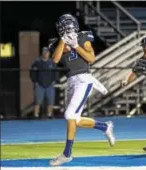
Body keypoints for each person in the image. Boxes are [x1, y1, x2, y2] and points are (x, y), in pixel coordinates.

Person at [49, 14, 115, 166]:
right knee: (75, 120)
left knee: (69, 115)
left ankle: (67, 154)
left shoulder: (83, 37)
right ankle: (105, 127)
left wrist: (75, 45)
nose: (68, 30)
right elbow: (55, 59)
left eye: (69, 28)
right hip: (71, 81)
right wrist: (63, 41)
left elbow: (91, 59)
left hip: (84, 79)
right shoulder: (56, 42)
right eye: (65, 29)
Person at [30, 47, 59, 119]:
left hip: (50, 85)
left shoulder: (52, 62)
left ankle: (49, 115)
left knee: (50, 100)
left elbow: (56, 73)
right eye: (44, 52)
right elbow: (32, 72)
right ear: (42, 53)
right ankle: (36, 115)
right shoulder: (37, 62)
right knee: (37, 101)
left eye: (47, 52)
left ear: (49, 53)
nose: (45, 53)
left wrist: (54, 81)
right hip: (39, 85)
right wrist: (35, 81)